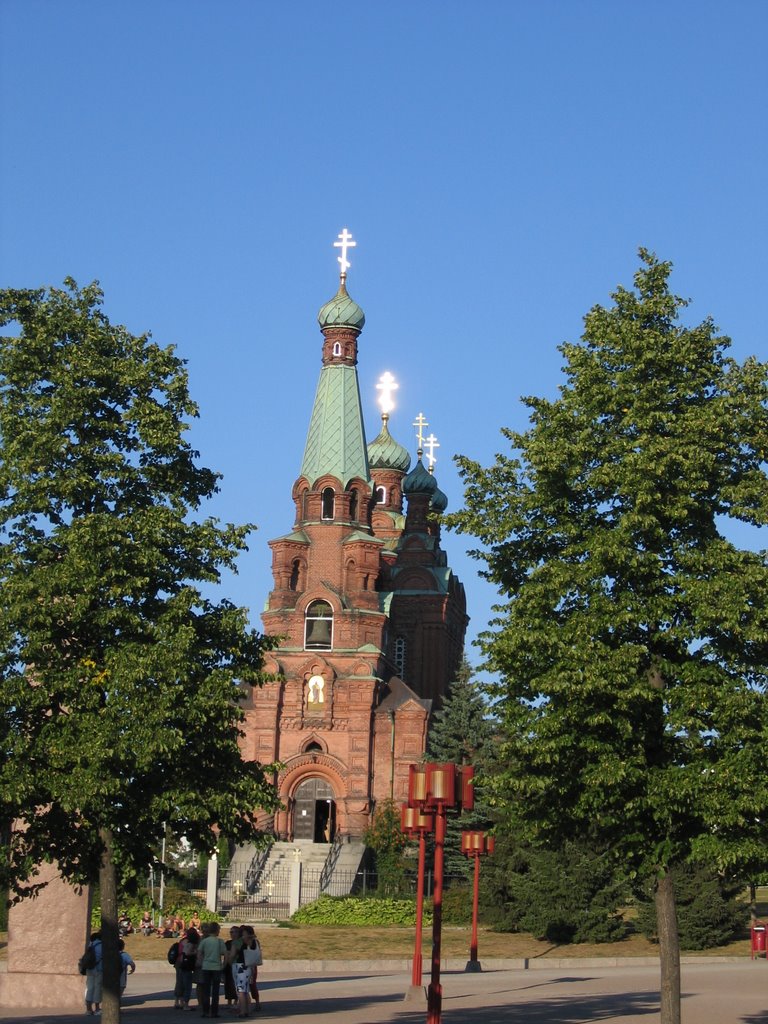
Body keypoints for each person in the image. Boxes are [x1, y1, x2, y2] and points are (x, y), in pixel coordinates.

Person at [196, 921, 227, 1018]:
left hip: (206, 967)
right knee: (215, 991)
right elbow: (226, 954)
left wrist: (201, 962)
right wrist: (223, 965)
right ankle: (214, 1012)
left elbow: (199, 953)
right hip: (216, 967)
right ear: (217, 931)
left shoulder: (205, 941)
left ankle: (205, 1011)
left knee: (206, 990)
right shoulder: (220, 941)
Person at [174, 927, 200, 1010]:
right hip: (186, 964)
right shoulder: (191, 943)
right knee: (187, 984)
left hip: (179, 962)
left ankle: (177, 1001)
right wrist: (195, 952)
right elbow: (187, 952)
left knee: (179, 981)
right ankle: (185, 1003)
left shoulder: (182, 941)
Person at [240, 925, 262, 1015]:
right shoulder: (256, 941)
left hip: (250, 965)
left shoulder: (250, 941)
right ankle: (255, 1002)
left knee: (250, 985)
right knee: (250, 985)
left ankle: (253, 1003)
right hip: (252, 964)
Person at [84, 930, 103, 1016]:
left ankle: (88, 1009)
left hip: (89, 968)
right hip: (99, 969)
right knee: (97, 988)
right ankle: (97, 1008)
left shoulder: (91, 945)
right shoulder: (102, 945)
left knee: (89, 988)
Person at [223, 926, 241, 1007]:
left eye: (234, 932)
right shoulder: (228, 943)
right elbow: (225, 954)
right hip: (228, 965)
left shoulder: (240, 943)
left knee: (236, 984)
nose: (232, 934)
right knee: (228, 984)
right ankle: (229, 1001)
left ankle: (236, 1001)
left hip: (237, 965)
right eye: (231, 932)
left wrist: (230, 953)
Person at [118, 938, 136, 1004]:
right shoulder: (124, 955)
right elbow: (132, 963)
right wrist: (133, 969)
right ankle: (118, 1004)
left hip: (111, 975)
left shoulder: (110, 954)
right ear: (123, 946)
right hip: (121, 973)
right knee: (120, 988)